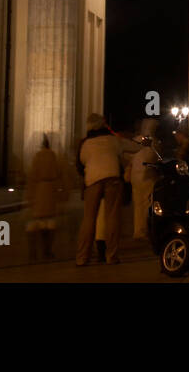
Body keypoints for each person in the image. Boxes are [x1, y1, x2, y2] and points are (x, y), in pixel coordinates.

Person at [76, 114, 127, 266]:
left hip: (92, 180)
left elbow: (80, 163)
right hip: (112, 177)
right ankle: (112, 256)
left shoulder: (85, 143)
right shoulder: (113, 140)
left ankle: (82, 257)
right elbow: (125, 151)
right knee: (112, 217)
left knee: (89, 219)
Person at [25, 135, 62, 261]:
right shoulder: (53, 156)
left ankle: (33, 251)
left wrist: (30, 194)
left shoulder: (37, 156)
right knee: (49, 222)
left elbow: (32, 174)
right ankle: (47, 250)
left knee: (37, 221)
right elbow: (58, 172)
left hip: (39, 190)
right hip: (50, 190)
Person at [126, 119, 160, 241]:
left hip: (136, 176)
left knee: (138, 204)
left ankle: (138, 230)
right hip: (148, 177)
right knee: (147, 204)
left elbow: (128, 157)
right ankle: (145, 229)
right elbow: (154, 158)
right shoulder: (153, 142)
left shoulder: (136, 140)